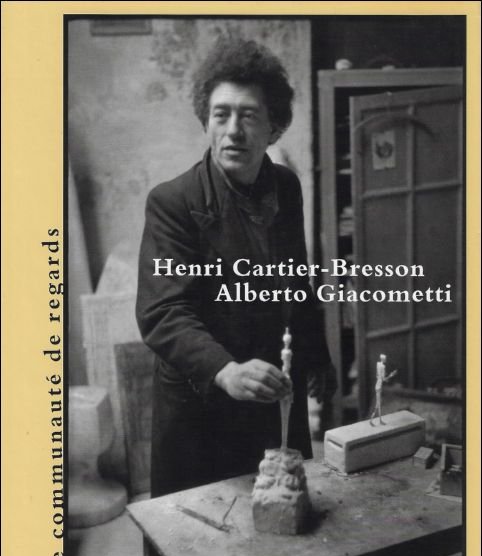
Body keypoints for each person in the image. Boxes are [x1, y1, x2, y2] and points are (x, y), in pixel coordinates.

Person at [136, 37, 336, 498]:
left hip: (270, 391)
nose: (233, 131)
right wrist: (226, 370)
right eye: (221, 114)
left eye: (248, 115)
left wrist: (316, 354)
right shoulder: (172, 202)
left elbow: (295, 280)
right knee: (200, 532)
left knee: (280, 513)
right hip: (202, 406)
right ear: (206, 120)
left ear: (274, 126)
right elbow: (163, 312)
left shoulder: (285, 186)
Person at [369, 354, 397, 426]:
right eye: (385, 359)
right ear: (383, 359)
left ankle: (379, 420)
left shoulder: (378, 364)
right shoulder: (383, 366)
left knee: (379, 404)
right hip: (379, 386)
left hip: (377, 385)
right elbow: (384, 379)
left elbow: (378, 376)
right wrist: (391, 375)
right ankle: (372, 420)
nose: (386, 360)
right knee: (377, 405)